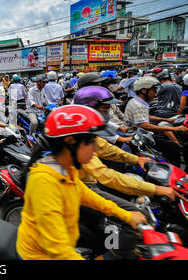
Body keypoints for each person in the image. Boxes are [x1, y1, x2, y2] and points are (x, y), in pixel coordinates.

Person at [15, 105, 147, 260]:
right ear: (70, 141)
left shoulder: (64, 168)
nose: (96, 148)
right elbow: (58, 249)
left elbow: (87, 195)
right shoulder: (44, 181)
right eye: (91, 142)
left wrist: (126, 215)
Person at [124, 76, 187, 167]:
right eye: (153, 90)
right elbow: (145, 125)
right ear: (144, 91)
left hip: (141, 133)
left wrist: (165, 119)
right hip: (140, 137)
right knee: (174, 147)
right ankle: (173, 172)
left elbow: (144, 117)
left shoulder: (137, 101)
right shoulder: (139, 105)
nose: (156, 93)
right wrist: (176, 129)